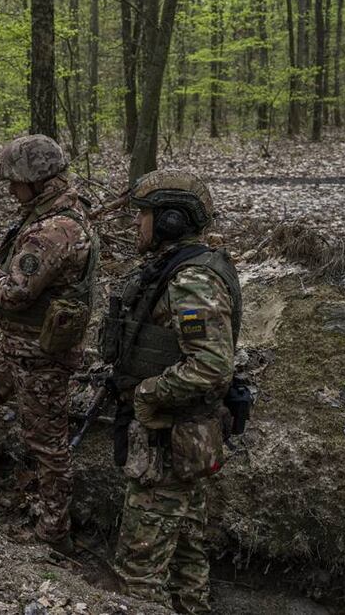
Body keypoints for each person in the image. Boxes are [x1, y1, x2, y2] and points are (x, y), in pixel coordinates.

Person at [101, 171, 240, 614]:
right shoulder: (175, 269)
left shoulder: (192, 280)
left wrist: (147, 392)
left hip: (168, 442)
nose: (135, 223)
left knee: (138, 575)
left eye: (143, 214)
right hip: (181, 440)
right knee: (187, 555)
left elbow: (211, 366)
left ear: (170, 220)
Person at [0, 134, 99, 552]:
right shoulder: (46, 215)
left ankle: (54, 534)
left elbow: (15, 293)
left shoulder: (54, 229)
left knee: (46, 443)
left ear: (37, 181)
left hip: (41, 354)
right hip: (18, 345)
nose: (10, 191)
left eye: (15, 183)